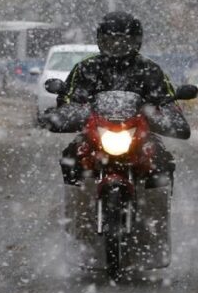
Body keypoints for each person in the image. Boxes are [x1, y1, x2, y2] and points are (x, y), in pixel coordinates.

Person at [54, 11, 190, 185]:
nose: (117, 46)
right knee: (72, 156)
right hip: (95, 133)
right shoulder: (86, 68)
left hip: (139, 135)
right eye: (111, 41)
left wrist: (171, 116)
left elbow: (167, 101)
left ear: (136, 42)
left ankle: (156, 207)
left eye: (124, 41)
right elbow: (69, 98)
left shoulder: (150, 69)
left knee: (161, 159)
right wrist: (63, 114)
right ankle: (76, 205)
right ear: (100, 40)